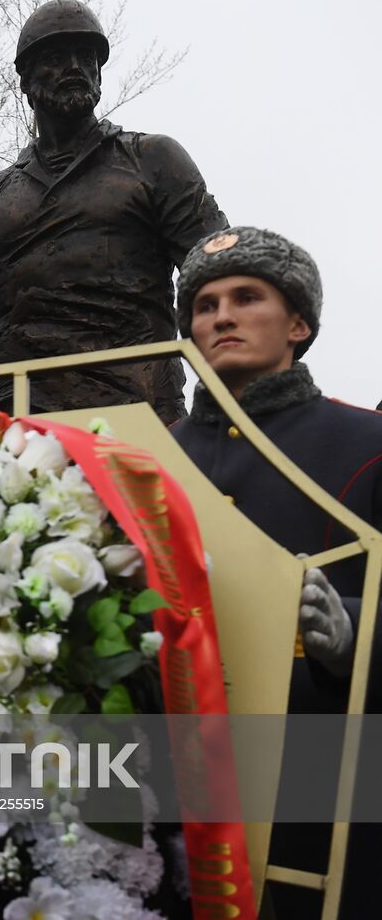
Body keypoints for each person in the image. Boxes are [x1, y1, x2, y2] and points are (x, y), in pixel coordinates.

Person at [170, 226, 382, 919]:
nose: (220, 316)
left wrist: (350, 628)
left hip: (324, 764)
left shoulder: (368, 445)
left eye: (245, 297)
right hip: (174, 767)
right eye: (203, 305)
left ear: (299, 323)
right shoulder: (144, 455)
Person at [0, 0, 227, 422]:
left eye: (87, 58)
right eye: (55, 57)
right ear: (25, 81)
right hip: (16, 416)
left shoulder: (154, 159)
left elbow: (217, 273)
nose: (74, 67)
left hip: (139, 408)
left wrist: (227, 393)